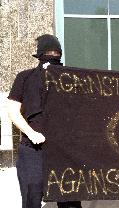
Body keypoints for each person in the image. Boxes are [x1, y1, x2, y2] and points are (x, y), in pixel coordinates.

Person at [7, 34, 82, 208]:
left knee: (69, 201)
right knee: (32, 198)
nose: (53, 55)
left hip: (64, 150)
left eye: (55, 53)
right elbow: (13, 111)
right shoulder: (25, 78)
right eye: (50, 52)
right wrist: (31, 133)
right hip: (33, 150)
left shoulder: (72, 78)